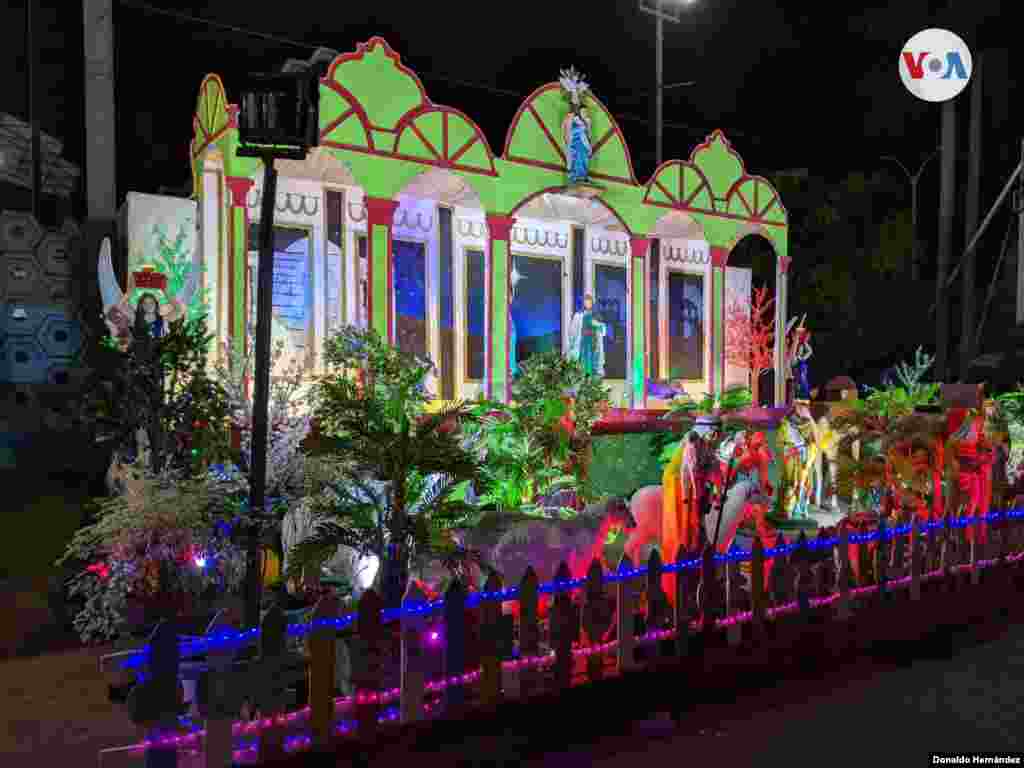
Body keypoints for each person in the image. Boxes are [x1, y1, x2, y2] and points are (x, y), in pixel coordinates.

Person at [568, 293, 606, 377]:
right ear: (583, 303)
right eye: (586, 302)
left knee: (594, 361)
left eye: (589, 302)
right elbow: (573, 331)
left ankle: (592, 378)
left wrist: (598, 325)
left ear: (592, 303)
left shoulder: (596, 315)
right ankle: (583, 377)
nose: (588, 304)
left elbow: (603, 329)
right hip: (583, 341)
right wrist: (571, 343)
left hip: (593, 341)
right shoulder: (578, 315)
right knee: (583, 360)